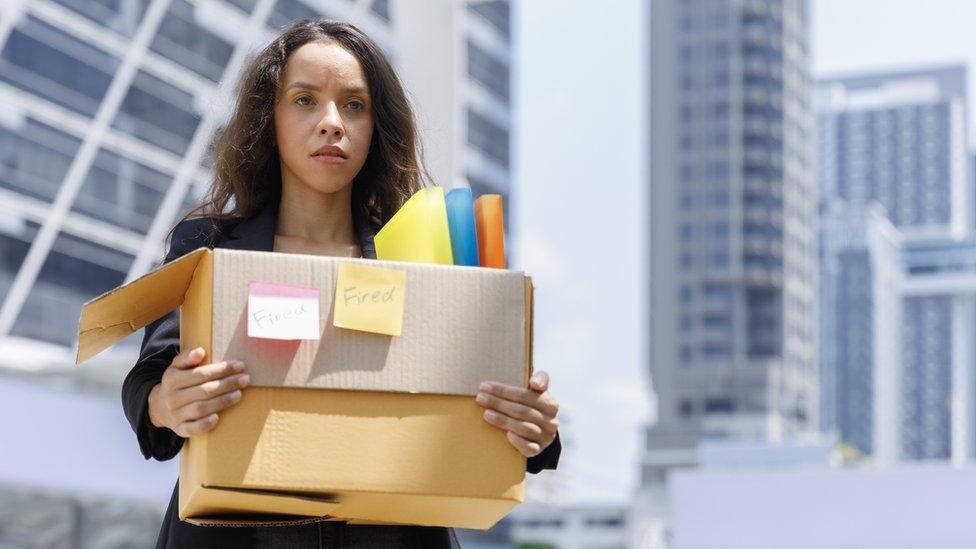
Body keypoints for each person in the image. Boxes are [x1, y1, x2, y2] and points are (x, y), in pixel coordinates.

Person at [122, 19, 561, 549]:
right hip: (240, 534)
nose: (332, 122)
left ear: (376, 126)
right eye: (305, 100)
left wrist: (534, 433)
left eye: (354, 105)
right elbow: (148, 381)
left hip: (391, 536)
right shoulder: (210, 249)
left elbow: (477, 399)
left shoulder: (422, 255)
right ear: (271, 118)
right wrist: (166, 403)